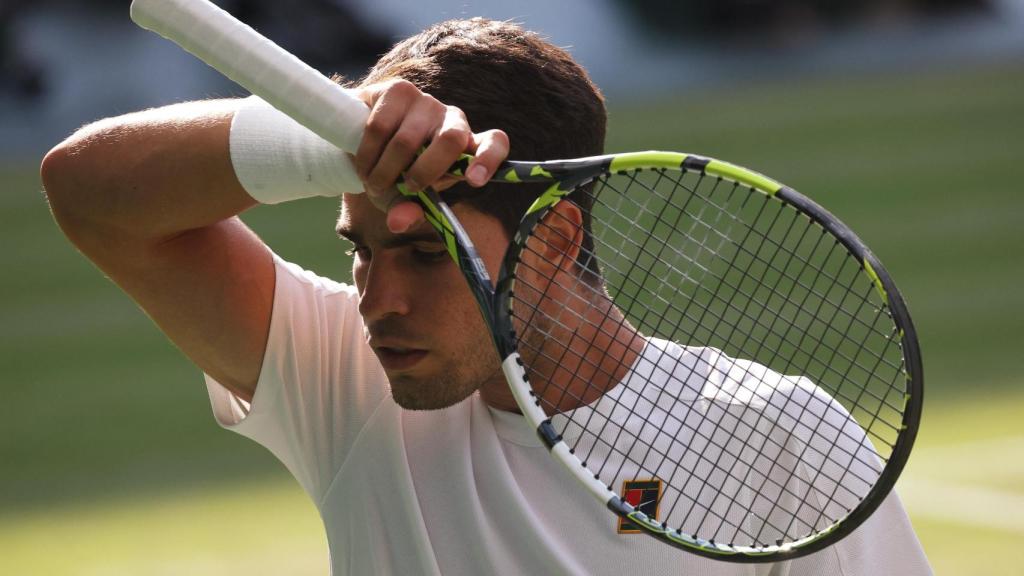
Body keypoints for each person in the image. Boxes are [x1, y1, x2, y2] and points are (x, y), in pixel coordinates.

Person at [41, 17, 931, 576]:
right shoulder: (350, 387)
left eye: (428, 255)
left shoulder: (780, 437)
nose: (377, 303)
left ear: (555, 242)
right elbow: (90, 194)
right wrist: (337, 139)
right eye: (360, 253)